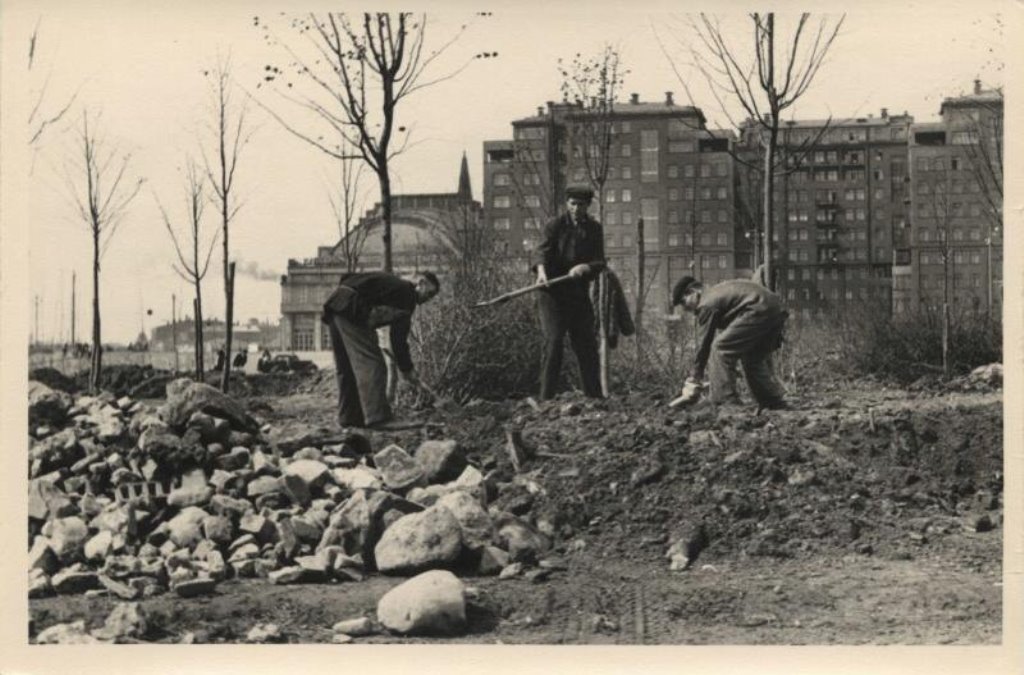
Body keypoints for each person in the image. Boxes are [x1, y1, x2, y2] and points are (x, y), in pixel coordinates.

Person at [321, 270, 440, 429]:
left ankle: (349, 418)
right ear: (421, 283)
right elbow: (398, 339)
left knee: (347, 368)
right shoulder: (407, 293)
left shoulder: (392, 284)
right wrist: (407, 370)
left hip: (336, 305)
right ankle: (379, 418)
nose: (428, 299)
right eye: (430, 293)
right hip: (352, 308)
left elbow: (347, 277)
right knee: (373, 363)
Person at [671, 275, 788, 410]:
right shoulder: (717, 292)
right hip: (775, 309)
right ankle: (771, 401)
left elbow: (704, 344)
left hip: (757, 309)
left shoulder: (706, 303)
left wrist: (695, 376)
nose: (685, 309)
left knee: (720, 348)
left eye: (683, 301)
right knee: (752, 358)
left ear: (693, 292)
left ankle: (724, 400)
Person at [535, 184, 605, 400]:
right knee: (554, 342)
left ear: (588, 205)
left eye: (581, 205)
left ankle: (594, 397)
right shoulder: (554, 226)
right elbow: (541, 254)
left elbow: (600, 261)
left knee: (586, 344)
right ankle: (545, 398)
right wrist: (541, 272)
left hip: (577, 294)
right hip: (552, 293)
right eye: (573, 204)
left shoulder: (594, 229)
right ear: (567, 204)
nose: (576, 208)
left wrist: (586, 267)